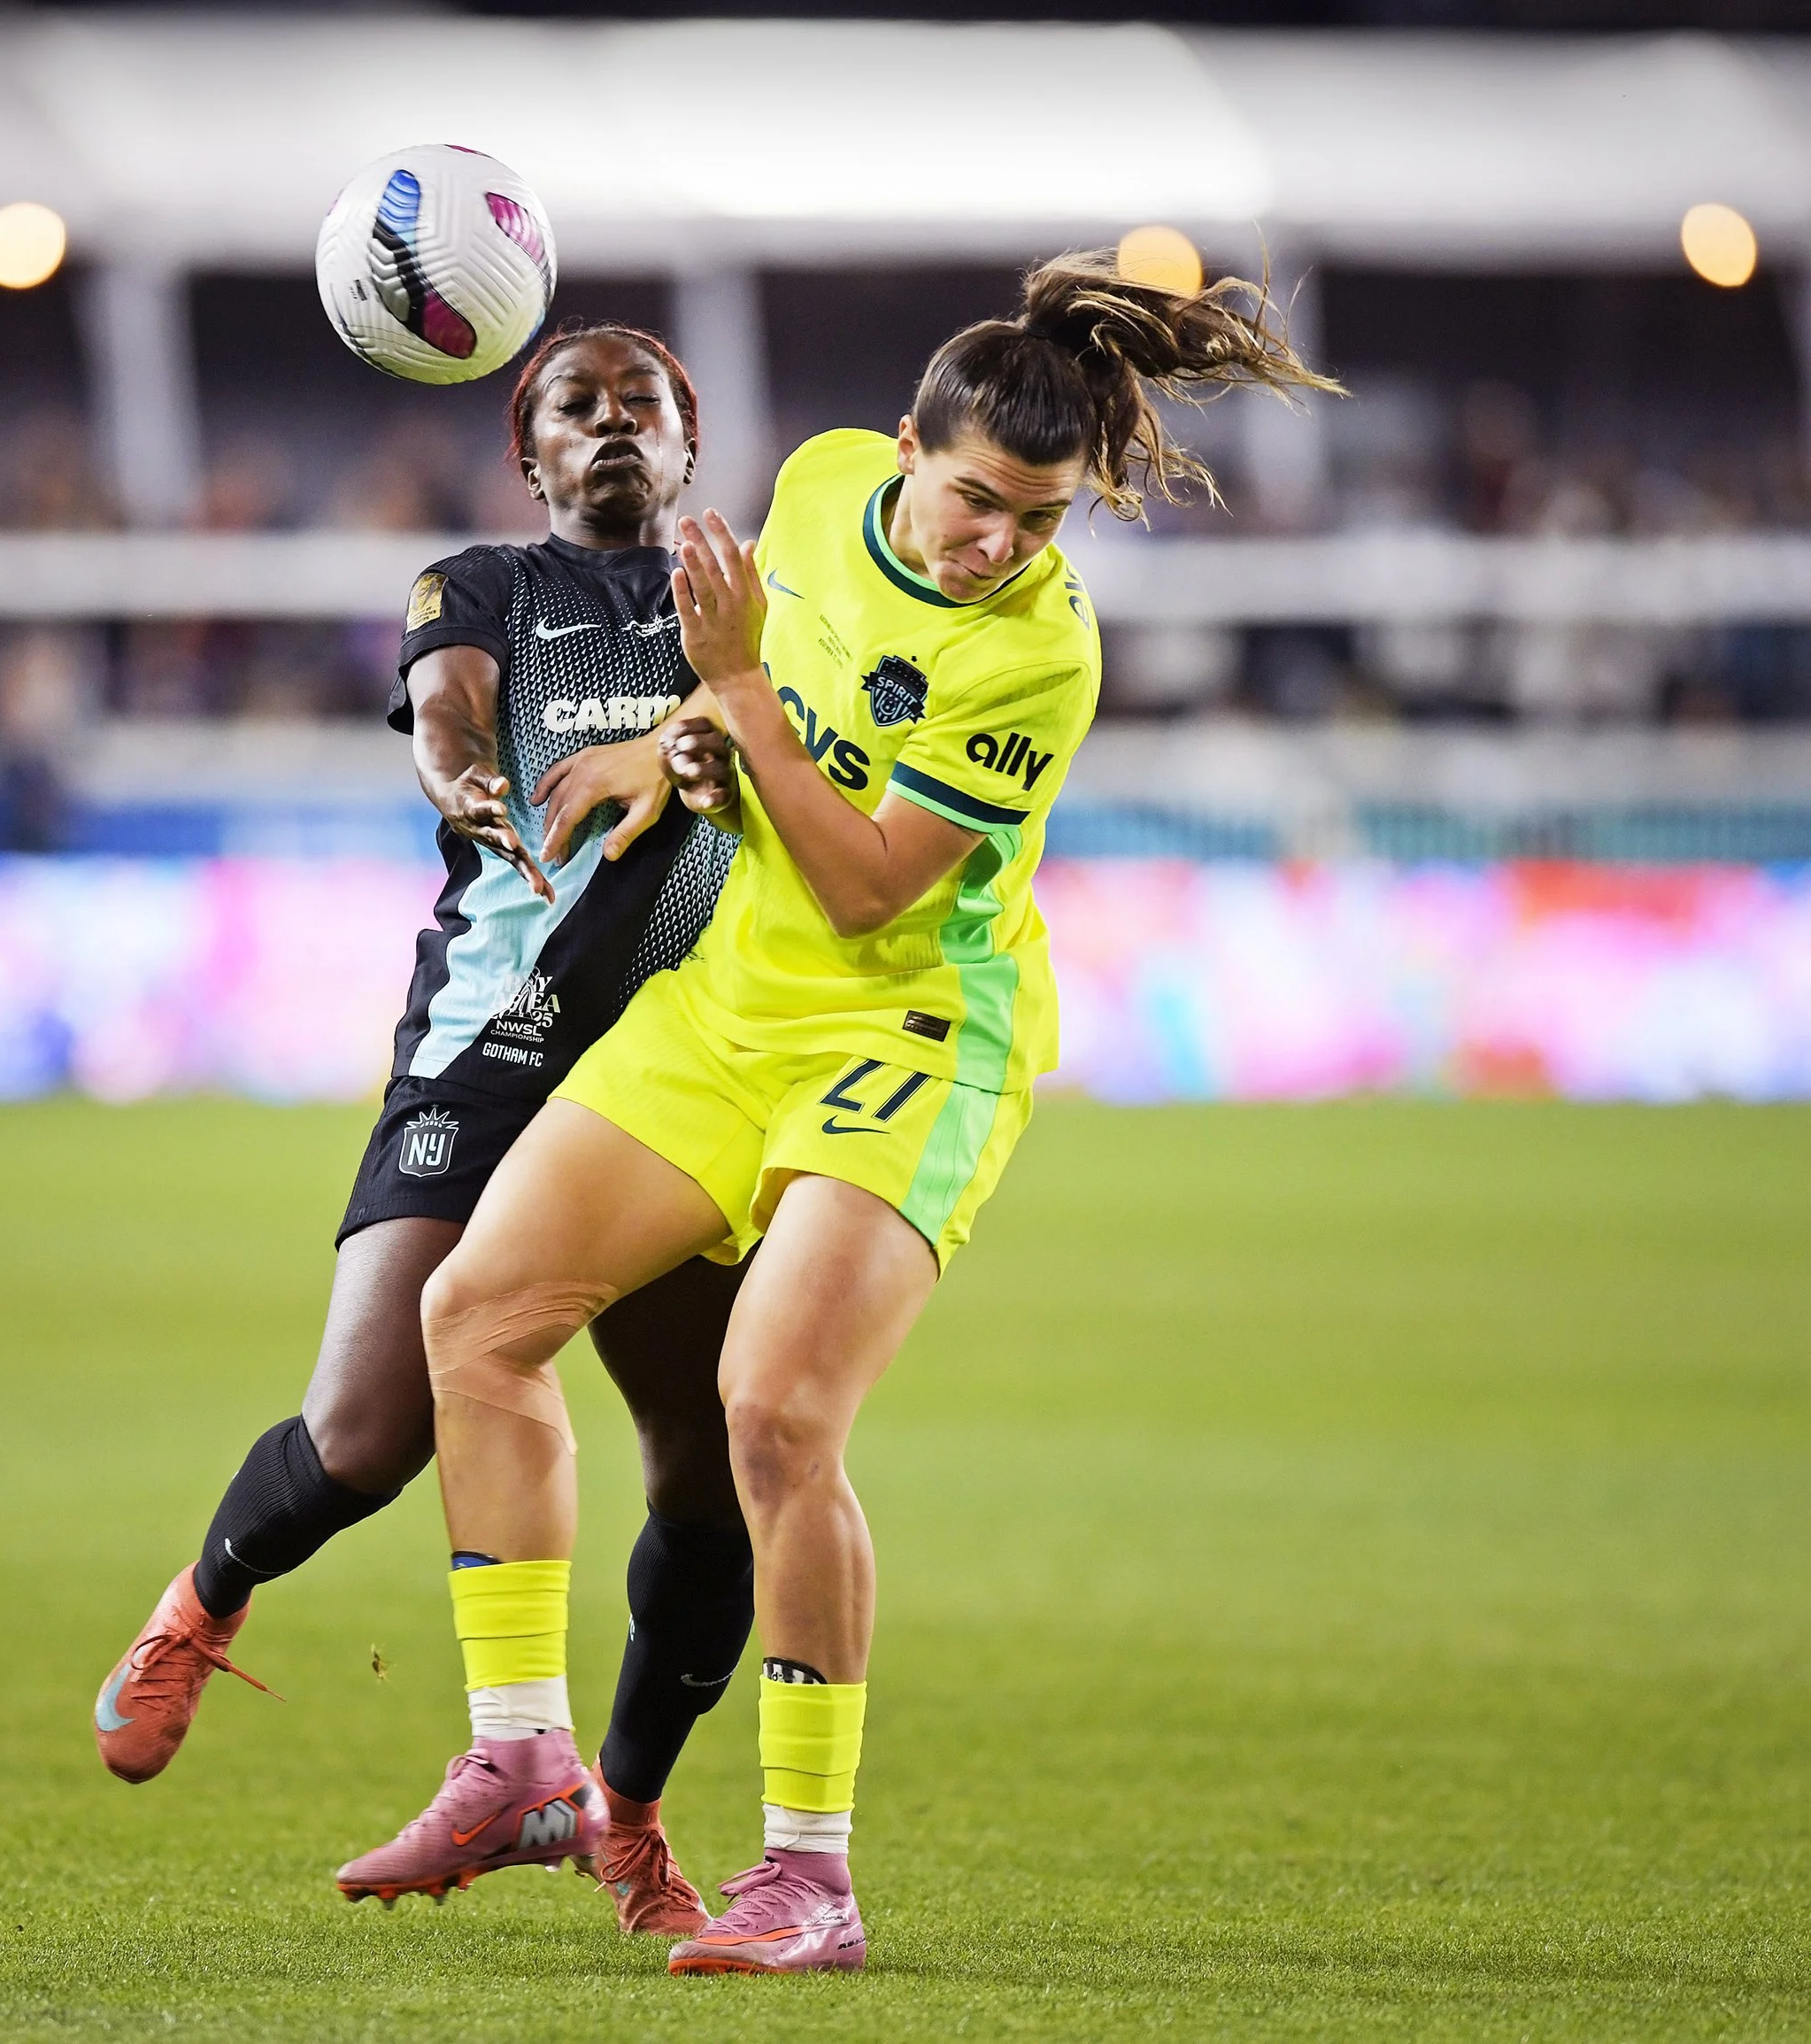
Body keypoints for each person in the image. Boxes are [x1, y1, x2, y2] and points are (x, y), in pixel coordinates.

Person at [335, 255, 1337, 1969]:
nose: (999, 545)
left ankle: (812, 1876)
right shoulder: (808, 496)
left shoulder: (1038, 658)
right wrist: (669, 746)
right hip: (729, 1007)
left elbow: (874, 885)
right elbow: (762, 711)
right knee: (475, 1315)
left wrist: (716, 695)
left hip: (916, 1038)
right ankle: (520, 1756)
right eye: (974, 502)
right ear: (899, 453)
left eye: (1044, 518)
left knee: (774, 1414)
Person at [94, 324, 759, 1938]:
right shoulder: (480, 587)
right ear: (528, 457)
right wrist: (461, 778)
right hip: (491, 1050)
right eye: (575, 411)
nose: (611, 429)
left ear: (690, 441)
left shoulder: (750, 610)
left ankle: (627, 1814)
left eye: (642, 408)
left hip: (679, 1070)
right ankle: (205, 1601)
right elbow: (450, 714)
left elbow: (772, 758)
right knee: (370, 1430)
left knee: (716, 1474)